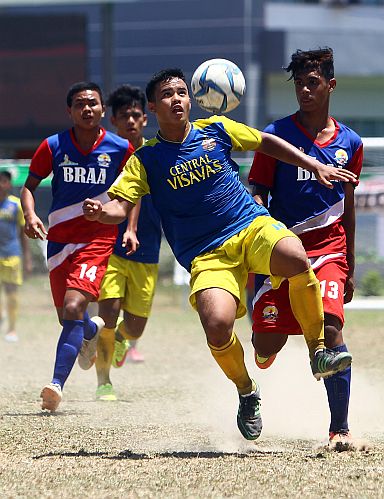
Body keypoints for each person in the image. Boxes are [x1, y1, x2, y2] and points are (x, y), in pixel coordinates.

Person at [82, 68, 356, 441]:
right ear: (152, 107)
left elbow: (264, 142)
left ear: (190, 99)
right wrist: (101, 212)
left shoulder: (216, 129)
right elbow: (119, 205)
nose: (176, 99)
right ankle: (246, 391)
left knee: (294, 255)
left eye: (181, 92)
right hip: (207, 255)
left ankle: (318, 351)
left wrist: (314, 164)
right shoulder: (146, 159)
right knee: (217, 325)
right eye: (167, 94)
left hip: (249, 225)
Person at [248, 48, 362, 447]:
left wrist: (348, 264)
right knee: (267, 343)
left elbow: (347, 209)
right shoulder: (276, 135)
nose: (304, 90)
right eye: (299, 83)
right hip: (281, 251)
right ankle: (263, 354)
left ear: (330, 85)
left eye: (312, 82)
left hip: (329, 251)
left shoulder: (351, 142)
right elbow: (257, 193)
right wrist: (261, 241)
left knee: (330, 329)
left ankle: (340, 429)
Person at [21, 81, 134, 412]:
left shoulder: (119, 149)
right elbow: (29, 186)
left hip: (97, 241)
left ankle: (56, 385)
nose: (87, 109)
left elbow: (132, 193)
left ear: (102, 110)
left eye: (93, 104)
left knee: (73, 307)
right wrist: (30, 215)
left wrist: (123, 222)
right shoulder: (52, 146)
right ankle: (90, 331)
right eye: (80, 104)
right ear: (69, 111)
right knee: (68, 319)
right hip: (58, 243)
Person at [95, 85, 162, 401]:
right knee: (107, 315)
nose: (132, 121)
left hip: (147, 250)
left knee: (135, 326)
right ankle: (104, 382)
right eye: (125, 117)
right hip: (110, 247)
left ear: (145, 119)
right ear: (114, 121)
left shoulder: (155, 155)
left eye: (137, 115)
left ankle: (122, 338)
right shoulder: (107, 157)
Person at [0, 170, 32, 342]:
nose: (0, 184)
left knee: (11, 292)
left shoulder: (15, 205)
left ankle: (11, 330)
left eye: (3, 181)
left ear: (9, 184)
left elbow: (23, 234)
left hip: (11, 255)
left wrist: (27, 258)